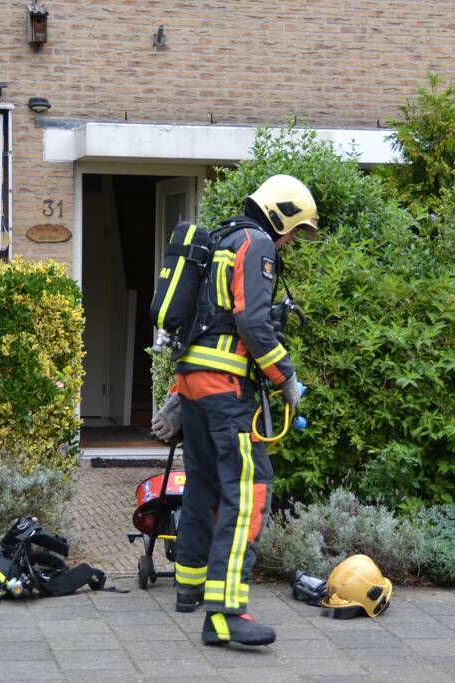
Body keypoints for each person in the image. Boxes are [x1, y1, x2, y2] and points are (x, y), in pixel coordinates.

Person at [151, 174, 318, 646]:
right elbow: (251, 320)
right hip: (226, 386)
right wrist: (286, 377)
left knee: (204, 482)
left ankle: (190, 585)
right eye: (293, 230)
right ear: (279, 213)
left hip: (193, 380)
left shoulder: (222, 237)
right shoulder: (257, 243)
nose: (290, 241)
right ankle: (225, 613)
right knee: (248, 493)